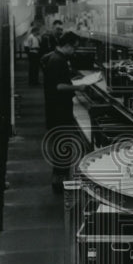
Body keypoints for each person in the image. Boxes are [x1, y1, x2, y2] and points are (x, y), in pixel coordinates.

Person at [42, 30, 84, 192]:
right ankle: (59, 183)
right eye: (74, 48)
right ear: (66, 46)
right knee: (62, 147)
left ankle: (60, 180)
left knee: (61, 146)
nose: (74, 52)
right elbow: (59, 86)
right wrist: (78, 86)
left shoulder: (54, 57)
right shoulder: (57, 61)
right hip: (59, 110)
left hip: (56, 109)